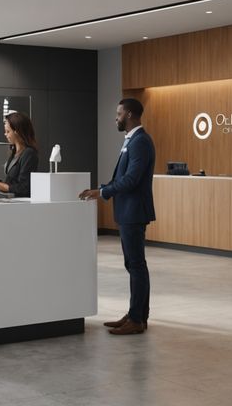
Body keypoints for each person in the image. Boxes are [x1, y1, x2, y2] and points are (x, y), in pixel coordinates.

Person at [79, 98, 155, 335]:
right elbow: (122, 177)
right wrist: (100, 189)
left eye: (118, 113)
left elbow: (131, 180)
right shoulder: (132, 141)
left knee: (136, 265)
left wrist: (102, 193)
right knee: (132, 264)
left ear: (130, 114)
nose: (116, 117)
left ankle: (137, 319)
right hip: (127, 211)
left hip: (134, 212)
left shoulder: (140, 142)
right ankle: (136, 315)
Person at [0, 111, 40, 198]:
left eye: (8, 131)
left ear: (17, 131)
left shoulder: (29, 154)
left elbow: (23, 189)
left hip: (22, 205)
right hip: (12, 202)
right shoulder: (14, 152)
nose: (5, 134)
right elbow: (10, 183)